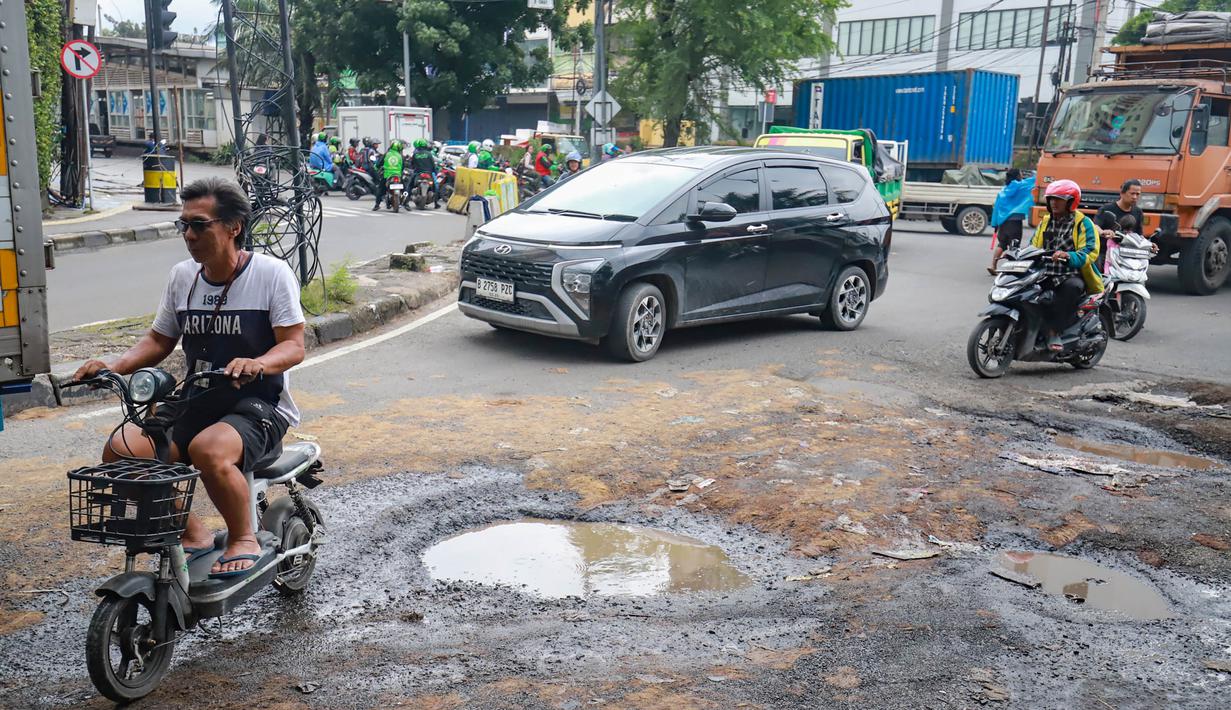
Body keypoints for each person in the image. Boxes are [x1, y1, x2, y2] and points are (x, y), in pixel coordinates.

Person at [73, 178, 306, 579]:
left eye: (199, 225)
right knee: (120, 451)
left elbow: (294, 346)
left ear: (233, 227)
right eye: (184, 226)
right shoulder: (184, 276)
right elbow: (160, 338)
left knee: (208, 450)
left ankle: (243, 538)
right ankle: (193, 533)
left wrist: (258, 363)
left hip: (259, 405)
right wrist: (115, 365)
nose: (189, 235)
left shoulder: (271, 274)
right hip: (197, 399)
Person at [1029, 179, 1102, 351]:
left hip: (1070, 274)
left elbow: (1090, 251)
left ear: (1070, 201)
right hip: (1044, 273)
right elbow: (1033, 245)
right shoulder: (1045, 221)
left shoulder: (1083, 223)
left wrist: (1068, 256)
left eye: (1059, 199)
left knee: (1071, 288)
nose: (1054, 203)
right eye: (1051, 199)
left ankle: (1055, 331)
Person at [989, 168, 1035, 274]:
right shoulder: (1020, 186)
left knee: (1002, 244)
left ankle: (993, 265)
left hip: (1003, 222)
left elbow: (997, 208)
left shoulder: (1003, 190)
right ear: (1017, 176)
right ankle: (1010, 269)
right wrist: (1034, 173)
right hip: (1015, 222)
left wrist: (995, 223)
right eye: (1020, 174)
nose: (1022, 175)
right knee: (1015, 245)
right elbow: (1034, 180)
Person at [1095, 179, 1144, 267]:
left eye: (1138, 194)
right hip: (1105, 254)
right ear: (1122, 193)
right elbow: (1095, 226)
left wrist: (1149, 245)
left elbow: (1139, 235)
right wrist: (1103, 232)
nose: (1135, 197)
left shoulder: (1138, 212)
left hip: (1127, 255)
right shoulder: (1106, 209)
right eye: (1132, 193)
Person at [409, 138, 440, 208]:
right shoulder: (429, 154)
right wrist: (435, 172)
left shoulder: (415, 154)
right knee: (435, 187)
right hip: (428, 174)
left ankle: (406, 202)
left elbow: (412, 165)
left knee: (409, 186)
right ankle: (436, 203)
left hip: (418, 173)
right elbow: (433, 165)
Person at [378, 139, 405, 210]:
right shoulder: (400, 156)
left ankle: (377, 205)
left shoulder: (387, 154)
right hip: (398, 175)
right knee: (405, 189)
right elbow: (403, 166)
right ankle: (406, 203)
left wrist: (377, 167)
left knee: (380, 189)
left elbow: (379, 163)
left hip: (387, 175)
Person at [368, 138, 386, 210]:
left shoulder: (375, 151)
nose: (377, 145)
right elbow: (373, 160)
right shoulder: (371, 151)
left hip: (376, 167)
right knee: (379, 181)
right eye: (376, 144)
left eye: (377, 144)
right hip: (372, 168)